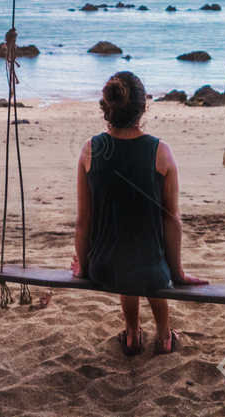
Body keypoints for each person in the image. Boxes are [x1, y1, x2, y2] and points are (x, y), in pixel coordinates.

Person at [70, 71, 205, 354]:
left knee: (128, 264)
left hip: (103, 269)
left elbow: (83, 222)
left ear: (106, 108)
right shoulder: (161, 152)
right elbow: (173, 220)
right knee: (150, 266)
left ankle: (132, 334)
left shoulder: (90, 150)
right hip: (152, 271)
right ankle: (165, 336)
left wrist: (83, 266)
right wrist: (177, 272)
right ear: (144, 107)